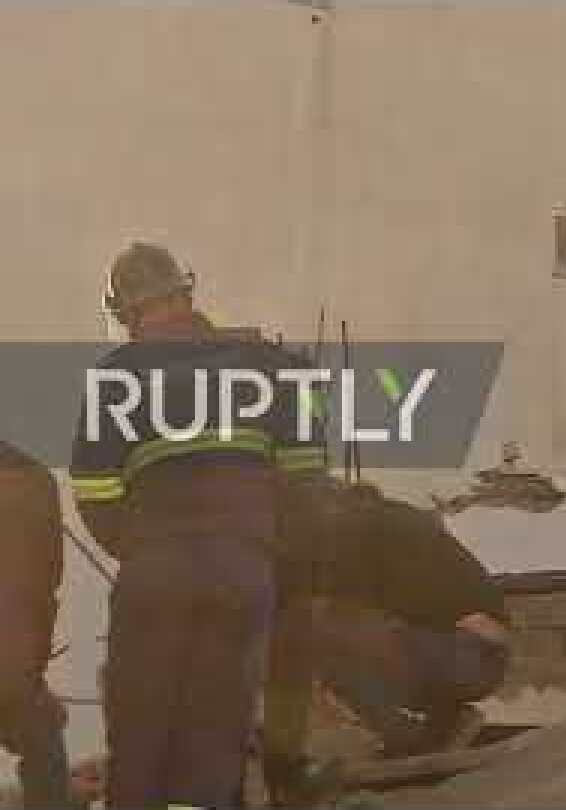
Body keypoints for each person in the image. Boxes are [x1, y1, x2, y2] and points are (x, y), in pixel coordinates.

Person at [69, 241, 326, 808]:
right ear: (186, 293)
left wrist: (142, 551)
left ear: (125, 315)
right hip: (244, 570)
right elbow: (308, 485)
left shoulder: (114, 378)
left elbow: (93, 492)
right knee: (216, 738)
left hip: (155, 572)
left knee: (141, 738)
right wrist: (266, 551)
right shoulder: (268, 365)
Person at [311, 482, 510, 758]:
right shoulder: (399, 519)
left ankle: (407, 738)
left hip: (460, 655)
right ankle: (445, 722)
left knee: (320, 637)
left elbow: (340, 612)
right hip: (485, 660)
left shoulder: (353, 527)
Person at [0, 442, 74, 808]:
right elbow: (49, 582)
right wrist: (33, 664)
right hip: (16, 667)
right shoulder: (37, 483)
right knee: (44, 738)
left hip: (14, 664)